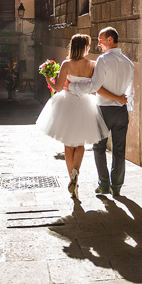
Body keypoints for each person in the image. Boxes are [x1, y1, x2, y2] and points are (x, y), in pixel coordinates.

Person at [36, 34, 126, 200]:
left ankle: (72, 179)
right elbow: (94, 87)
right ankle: (77, 172)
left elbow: (57, 88)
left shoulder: (66, 64)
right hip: (84, 104)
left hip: (67, 104)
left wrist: (48, 78)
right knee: (80, 144)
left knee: (68, 145)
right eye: (88, 45)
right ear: (84, 47)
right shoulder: (92, 64)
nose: (90, 48)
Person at [67, 27, 134, 196]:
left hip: (103, 110)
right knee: (119, 150)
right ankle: (117, 187)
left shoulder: (103, 60)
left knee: (99, 148)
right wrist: (127, 108)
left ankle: (104, 185)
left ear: (110, 39)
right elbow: (131, 91)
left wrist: (72, 87)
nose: (99, 44)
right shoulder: (129, 62)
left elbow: (95, 86)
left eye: (101, 40)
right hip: (121, 112)